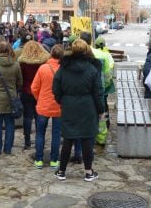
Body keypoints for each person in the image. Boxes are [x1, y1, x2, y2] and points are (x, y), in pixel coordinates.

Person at [52, 39, 104, 182]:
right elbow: (98, 91)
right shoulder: (92, 69)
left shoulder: (63, 68)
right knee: (87, 139)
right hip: (88, 106)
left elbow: (56, 88)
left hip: (69, 105)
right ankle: (88, 171)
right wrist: (101, 109)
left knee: (68, 138)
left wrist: (62, 101)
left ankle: (62, 171)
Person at [31, 44, 63, 169]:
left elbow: (34, 87)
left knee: (40, 133)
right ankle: (54, 160)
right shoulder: (64, 69)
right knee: (56, 133)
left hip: (43, 105)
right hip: (59, 106)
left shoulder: (43, 68)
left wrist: (39, 98)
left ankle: (39, 159)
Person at [17, 40, 50, 150]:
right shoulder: (43, 62)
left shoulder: (22, 63)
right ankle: (39, 139)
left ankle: (27, 141)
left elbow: (20, 79)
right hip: (40, 92)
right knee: (39, 117)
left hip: (26, 91)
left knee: (27, 117)